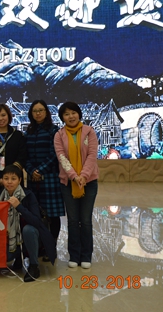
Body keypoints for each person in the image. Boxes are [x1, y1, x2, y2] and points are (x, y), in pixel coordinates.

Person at [54, 102, 99, 269]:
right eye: (66, 114)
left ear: (79, 114)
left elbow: (92, 155)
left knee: (85, 220)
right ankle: (74, 255)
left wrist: (84, 176)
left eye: (73, 112)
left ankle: (86, 255)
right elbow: (61, 157)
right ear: (62, 118)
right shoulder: (59, 135)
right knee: (73, 220)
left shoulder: (89, 131)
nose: (71, 116)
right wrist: (74, 176)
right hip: (68, 183)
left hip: (89, 182)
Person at [0, 165, 56, 282]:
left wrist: (19, 206)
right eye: (6, 178)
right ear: (2, 180)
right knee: (6, 258)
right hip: (9, 238)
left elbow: (36, 221)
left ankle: (34, 266)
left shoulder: (28, 195)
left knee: (28, 229)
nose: (9, 182)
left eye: (13, 179)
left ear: (19, 180)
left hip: (32, 236)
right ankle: (18, 257)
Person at [25, 100, 64, 245]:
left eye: (41, 110)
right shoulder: (28, 132)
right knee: (36, 213)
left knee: (52, 215)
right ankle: (40, 245)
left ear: (46, 112)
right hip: (32, 178)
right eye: (35, 111)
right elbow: (24, 155)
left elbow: (55, 154)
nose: (38, 113)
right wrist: (31, 170)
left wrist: (40, 171)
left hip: (50, 177)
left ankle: (51, 246)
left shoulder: (54, 130)